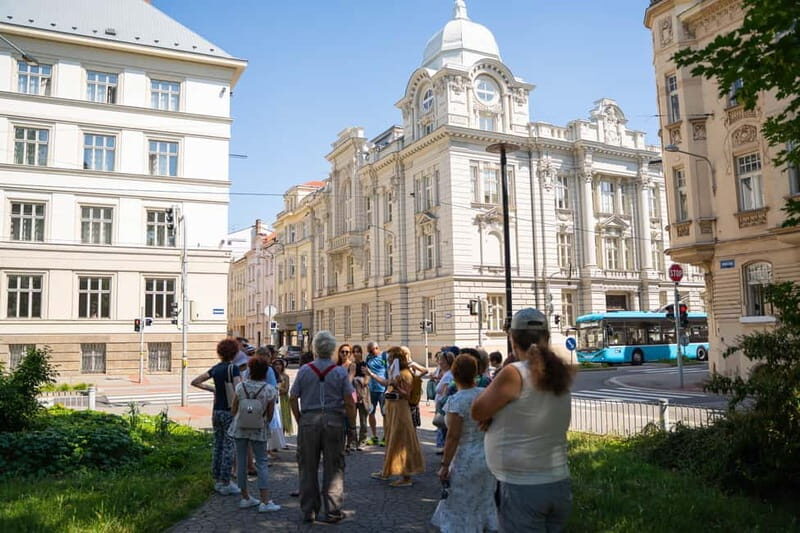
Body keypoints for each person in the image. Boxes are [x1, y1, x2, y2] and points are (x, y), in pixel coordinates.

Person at [472, 308, 575, 533]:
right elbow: (528, 410)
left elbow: (477, 410)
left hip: (523, 487)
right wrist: (497, 414)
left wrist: (491, 414)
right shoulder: (558, 372)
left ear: (513, 340)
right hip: (557, 481)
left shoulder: (515, 373)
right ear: (547, 338)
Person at [290, 331, 356, 524]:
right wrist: (351, 426)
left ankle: (309, 510)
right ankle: (333, 511)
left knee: (307, 467)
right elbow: (349, 401)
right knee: (334, 467)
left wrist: (300, 418)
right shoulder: (339, 372)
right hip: (334, 421)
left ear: (315, 349)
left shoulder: (304, 370)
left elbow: (293, 397)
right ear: (332, 350)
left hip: (309, 421)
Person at [432, 355, 498, 533]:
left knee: (462, 506)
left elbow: (453, 437)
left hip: (465, 459)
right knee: (483, 502)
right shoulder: (485, 394)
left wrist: (445, 465)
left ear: (455, 374)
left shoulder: (457, 400)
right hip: (487, 457)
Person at [229, 355, 281, 513]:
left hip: (240, 428)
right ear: (265, 372)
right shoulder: (269, 390)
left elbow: (233, 410)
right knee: (262, 463)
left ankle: (245, 498)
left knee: (242, 462)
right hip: (259, 429)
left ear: (250, 371)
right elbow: (270, 415)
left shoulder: (240, 387)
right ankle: (265, 501)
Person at [190, 338, 241, 495]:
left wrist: (212, 389)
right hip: (229, 411)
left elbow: (195, 381)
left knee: (218, 444)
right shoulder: (233, 369)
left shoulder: (216, 369)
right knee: (229, 445)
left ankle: (217, 480)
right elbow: (238, 390)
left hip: (216, 411)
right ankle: (226, 482)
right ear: (234, 353)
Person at [370, 346, 425, 487]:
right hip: (393, 409)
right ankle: (386, 471)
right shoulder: (396, 372)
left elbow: (407, 395)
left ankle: (406, 477)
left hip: (401, 410)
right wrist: (372, 374)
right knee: (392, 439)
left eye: (390, 358)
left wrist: (396, 386)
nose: (388, 360)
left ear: (397, 359)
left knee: (402, 441)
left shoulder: (405, 374)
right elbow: (386, 383)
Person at [364, 341, 388, 446]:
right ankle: (374, 436)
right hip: (371, 389)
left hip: (382, 389)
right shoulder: (369, 358)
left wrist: (388, 386)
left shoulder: (384, 356)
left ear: (377, 348)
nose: (370, 353)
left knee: (385, 414)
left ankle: (386, 437)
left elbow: (389, 370)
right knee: (371, 412)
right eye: (368, 351)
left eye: (371, 350)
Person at [434, 351, 455, 451]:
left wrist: (440, 406)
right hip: (441, 405)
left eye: (441, 360)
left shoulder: (448, 375)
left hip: (443, 406)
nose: (439, 363)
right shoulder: (447, 374)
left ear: (447, 362)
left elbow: (445, 393)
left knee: (442, 427)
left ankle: (443, 447)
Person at [351, 344, 371, 448]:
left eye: (358, 351)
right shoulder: (352, 365)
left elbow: (366, 381)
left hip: (363, 394)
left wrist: (358, 380)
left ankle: (362, 440)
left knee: (363, 420)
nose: (356, 354)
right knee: (352, 419)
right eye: (354, 352)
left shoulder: (364, 364)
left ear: (361, 353)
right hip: (353, 394)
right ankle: (353, 441)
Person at [273, 358, 294, 437]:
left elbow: (286, 390)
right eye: (276, 364)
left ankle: (282, 438)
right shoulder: (271, 376)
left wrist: (277, 388)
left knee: (284, 419)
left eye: (279, 364)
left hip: (283, 399)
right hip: (274, 399)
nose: (278, 366)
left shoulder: (285, 376)